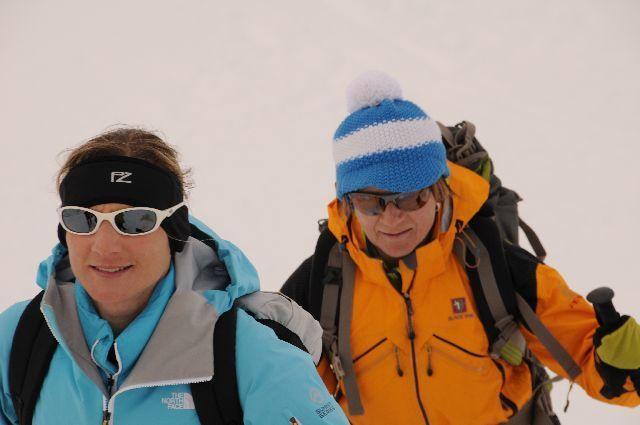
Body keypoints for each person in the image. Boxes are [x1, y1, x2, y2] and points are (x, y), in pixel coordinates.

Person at [281, 72, 640, 424]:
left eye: (411, 197)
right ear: (347, 202)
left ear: (438, 191)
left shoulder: (491, 262)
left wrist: (624, 366)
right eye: (369, 201)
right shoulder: (321, 283)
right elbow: (279, 388)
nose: (391, 218)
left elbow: (588, 355)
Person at [0, 128, 349, 425]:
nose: (105, 246)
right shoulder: (19, 339)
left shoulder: (250, 356)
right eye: (82, 219)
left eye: (134, 221)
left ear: (175, 232)